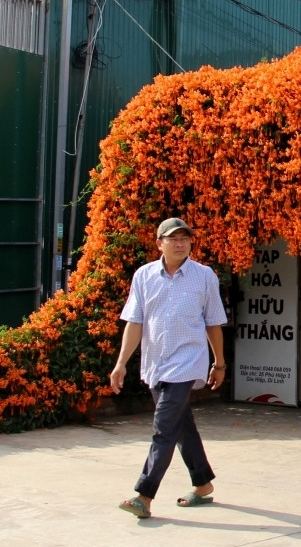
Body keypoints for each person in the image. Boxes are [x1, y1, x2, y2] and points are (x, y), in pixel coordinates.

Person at [110, 217, 228, 519]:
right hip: (155, 364)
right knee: (180, 426)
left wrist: (219, 363)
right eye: (173, 238)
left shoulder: (204, 276)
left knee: (163, 429)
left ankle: (144, 495)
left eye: (185, 238)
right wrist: (121, 363)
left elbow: (214, 322)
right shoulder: (144, 276)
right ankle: (202, 484)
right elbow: (135, 323)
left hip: (188, 363)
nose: (180, 243)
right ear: (159, 242)